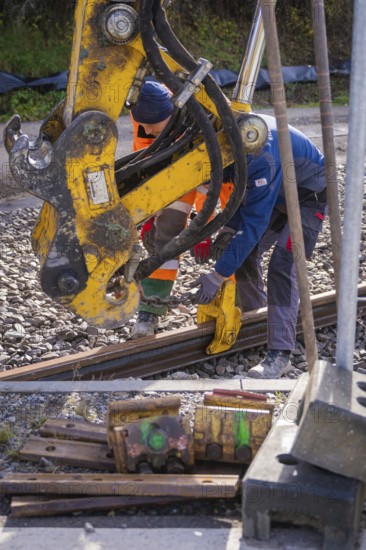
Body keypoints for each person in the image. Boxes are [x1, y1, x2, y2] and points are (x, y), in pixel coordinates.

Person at [191, 114, 327, 379]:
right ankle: (258, 321)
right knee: (244, 255)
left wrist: (218, 275)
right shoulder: (229, 143)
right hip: (279, 195)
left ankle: (280, 354)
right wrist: (227, 230)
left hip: (308, 200)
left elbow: (254, 223)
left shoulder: (260, 155)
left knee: (282, 266)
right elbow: (244, 195)